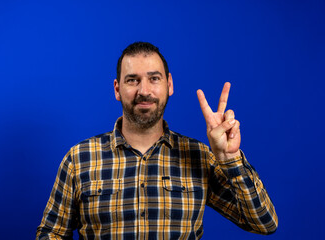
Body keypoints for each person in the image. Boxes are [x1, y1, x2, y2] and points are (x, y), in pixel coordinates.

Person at [36, 42, 278, 239]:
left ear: (169, 84)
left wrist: (229, 158)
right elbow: (52, 233)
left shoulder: (200, 156)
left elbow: (263, 223)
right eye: (132, 80)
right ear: (117, 89)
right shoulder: (80, 158)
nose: (144, 90)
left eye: (154, 78)